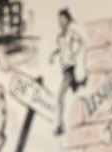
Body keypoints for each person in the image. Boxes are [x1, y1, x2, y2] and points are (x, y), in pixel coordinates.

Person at [49, 8, 87, 136]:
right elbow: (60, 49)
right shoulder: (60, 36)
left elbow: (81, 42)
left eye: (62, 19)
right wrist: (53, 55)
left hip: (69, 68)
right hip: (63, 67)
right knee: (75, 89)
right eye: (59, 19)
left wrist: (74, 54)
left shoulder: (71, 33)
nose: (60, 22)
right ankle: (80, 84)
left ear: (67, 19)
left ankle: (59, 126)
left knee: (60, 98)